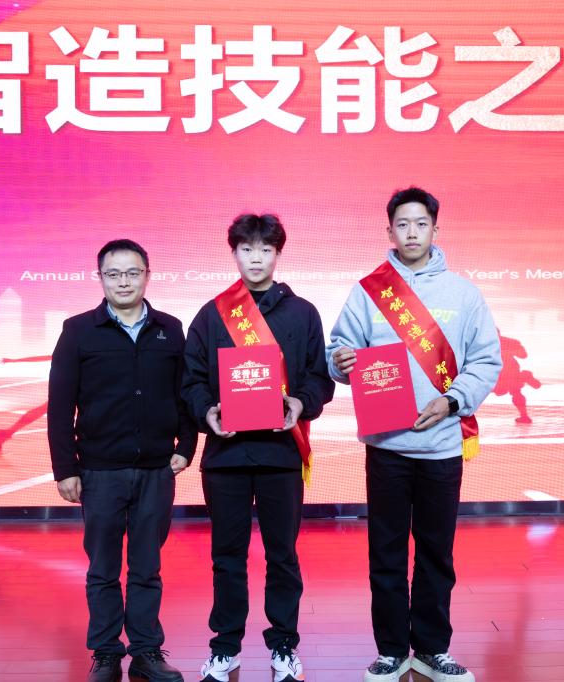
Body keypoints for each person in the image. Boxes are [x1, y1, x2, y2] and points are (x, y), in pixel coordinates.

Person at [328, 188, 502, 682]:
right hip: (386, 447)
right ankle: (390, 650)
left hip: (441, 446)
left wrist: (452, 400)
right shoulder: (368, 291)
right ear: (389, 231)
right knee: (385, 552)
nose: (411, 233)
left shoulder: (464, 294)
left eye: (420, 224)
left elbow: (486, 360)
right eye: (402, 224)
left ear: (435, 230)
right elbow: (339, 351)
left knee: (435, 553)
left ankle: (431, 648)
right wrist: (340, 361)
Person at [182, 214, 335, 682]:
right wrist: (207, 412)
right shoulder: (212, 314)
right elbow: (191, 381)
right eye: (246, 249)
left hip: (281, 455)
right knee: (226, 557)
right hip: (225, 458)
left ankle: (283, 645)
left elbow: (319, 378)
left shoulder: (303, 313)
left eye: (265, 249)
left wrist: (300, 403)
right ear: (233, 253)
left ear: (278, 254)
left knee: (282, 555)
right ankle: (225, 647)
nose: (256, 258)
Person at [48, 239, 196, 682]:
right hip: (99, 470)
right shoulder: (78, 330)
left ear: (148, 275)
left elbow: (185, 394)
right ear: (100, 278)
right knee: (103, 568)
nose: (124, 282)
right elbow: (60, 405)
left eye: (133, 273)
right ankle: (107, 653)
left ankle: (147, 652)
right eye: (113, 274)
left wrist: (186, 446)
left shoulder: (170, 329)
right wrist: (65, 469)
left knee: (147, 566)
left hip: (156, 469)